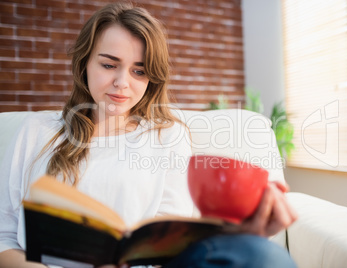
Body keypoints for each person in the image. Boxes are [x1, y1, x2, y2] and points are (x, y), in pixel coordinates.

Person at [0, 2, 298, 268]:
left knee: (262, 255)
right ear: (84, 63)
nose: (121, 83)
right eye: (108, 65)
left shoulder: (168, 137)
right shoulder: (35, 132)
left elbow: (171, 242)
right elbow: (3, 236)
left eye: (139, 72)